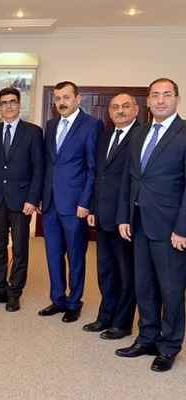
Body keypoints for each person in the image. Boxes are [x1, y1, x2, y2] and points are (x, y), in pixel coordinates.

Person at [116, 78, 186, 372]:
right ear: (147, 101)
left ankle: (168, 346)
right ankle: (147, 337)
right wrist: (123, 216)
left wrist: (183, 228)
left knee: (171, 289)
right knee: (143, 285)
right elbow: (129, 178)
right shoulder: (139, 132)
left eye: (166, 95)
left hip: (170, 228)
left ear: (176, 98)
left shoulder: (184, 132)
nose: (160, 100)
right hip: (138, 223)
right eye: (155, 95)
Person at [39, 81, 103, 323]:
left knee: (75, 256)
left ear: (78, 99)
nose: (61, 102)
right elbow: (48, 165)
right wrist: (40, 197)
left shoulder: (92, 125)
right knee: (53, 254)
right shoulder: (51, 124)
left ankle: (75, 302)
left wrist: (86, 202)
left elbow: (92, 168)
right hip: (50, 203)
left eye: (66, 97)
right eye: (57, 98)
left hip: (75, 204)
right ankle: (58, 299)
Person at [0, 87, 44, 312]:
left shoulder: (33, 132)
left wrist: (32, 199)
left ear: (19, 104)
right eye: (4, 102)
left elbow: (38, 169)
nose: (8, 106)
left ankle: (15, 292)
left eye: (12, 101)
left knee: (19, 249)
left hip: (21, 201)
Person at [83, 93, 138, 339]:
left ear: (136, 110)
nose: (120, 111)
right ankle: (105, 315)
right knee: (105, 270)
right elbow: (98, 176)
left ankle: (122, 323)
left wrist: (126, 215)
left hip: (126, 218)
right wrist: (93, 208)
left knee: (126, 274)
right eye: (115, 107)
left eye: (125, 106)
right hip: (103, 215)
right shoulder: (105, 136)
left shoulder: (141, 136)